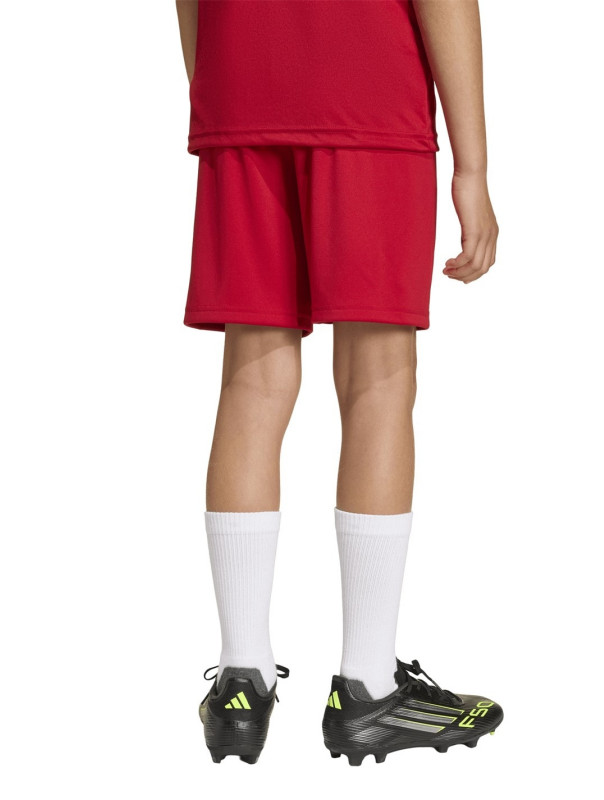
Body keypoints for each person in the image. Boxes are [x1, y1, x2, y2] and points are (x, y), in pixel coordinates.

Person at [175, 0, 502, 766]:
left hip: (242, 91)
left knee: (252, 381)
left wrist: (222, 94)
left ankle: (242, 679)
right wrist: (473, 166)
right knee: (377, 379)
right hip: (368, 91)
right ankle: (367, 687)